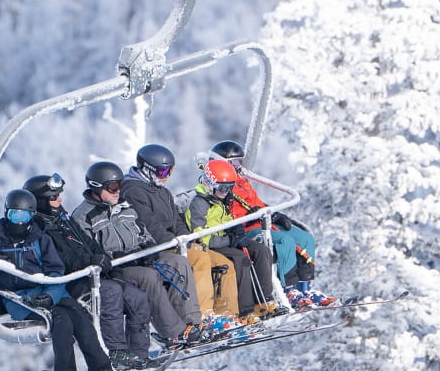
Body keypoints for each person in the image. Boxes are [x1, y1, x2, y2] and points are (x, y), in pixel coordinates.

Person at [0, 188, 124, 371]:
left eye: (25, 216)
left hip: (48, 290)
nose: (20, 222)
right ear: (6, 213)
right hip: (18, 298)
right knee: (61, 319)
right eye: (15, 215)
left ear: (32, 216)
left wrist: (51, 295)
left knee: (81, 317)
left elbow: (55, 270)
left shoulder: (40, 238)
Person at [23, 172, 153, 371]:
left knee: (137, 297)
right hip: (71, 283)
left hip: (91, 276)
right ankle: (117, 351)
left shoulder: (62, 219)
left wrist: (104, 260)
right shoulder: (39, 230)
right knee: (111, 292)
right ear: (40, 201)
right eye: (54, 197)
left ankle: (139, 354)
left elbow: (88, 243)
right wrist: (90, 261)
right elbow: (61, 260)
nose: (59, 200)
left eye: (59, 195)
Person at [70, 161, 206, 347]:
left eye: (120, 185)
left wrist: (148, 247)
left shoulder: (124, 206)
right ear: (96, 187)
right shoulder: (83, 216)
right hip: (118, 269)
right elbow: (89, 250)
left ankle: (192, 322)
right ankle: (173, 333)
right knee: (148, 277)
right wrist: (113, 257)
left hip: (140, 258)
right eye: (113, 187)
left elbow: (143, 232)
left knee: (178, 262)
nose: (118, 191)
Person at [120, 144, 242, 327]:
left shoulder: (162, 191)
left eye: (170, 171)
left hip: (177, 243)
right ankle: (204, 314)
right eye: (162, 172)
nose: (167, 176)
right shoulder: (133, 192)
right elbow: (151, 226)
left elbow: (176, 221)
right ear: (147, 170)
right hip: (158, 247)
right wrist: (179, 244)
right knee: (200, 259)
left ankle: (228, 314)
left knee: (223, 262)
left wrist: (189, 239)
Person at [209, 140, 336, 308]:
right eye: (232, 163)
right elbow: (225, 214)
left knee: (304, 238)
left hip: (263, 221)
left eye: (239, 162)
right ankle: (288, 289)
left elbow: (256, 203)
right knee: (285, 241)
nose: (237, 167)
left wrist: (274, 214)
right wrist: (250, 216)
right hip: (248, 229)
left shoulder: (243, 182)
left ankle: (305, 289)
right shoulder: (220, 186)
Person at [184, 158, 282, 321]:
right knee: (240, 259)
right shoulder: (199, 204)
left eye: (230, 188)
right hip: (212, 245)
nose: (226, 192)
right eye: (223, 188)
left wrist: (235, 228)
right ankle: (245, 310)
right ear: (209, 184)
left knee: (261, 251)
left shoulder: (220, 200)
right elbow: (202, 238)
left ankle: (264, 300)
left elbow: (226, 219)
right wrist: (230, 239)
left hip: (226, 239)